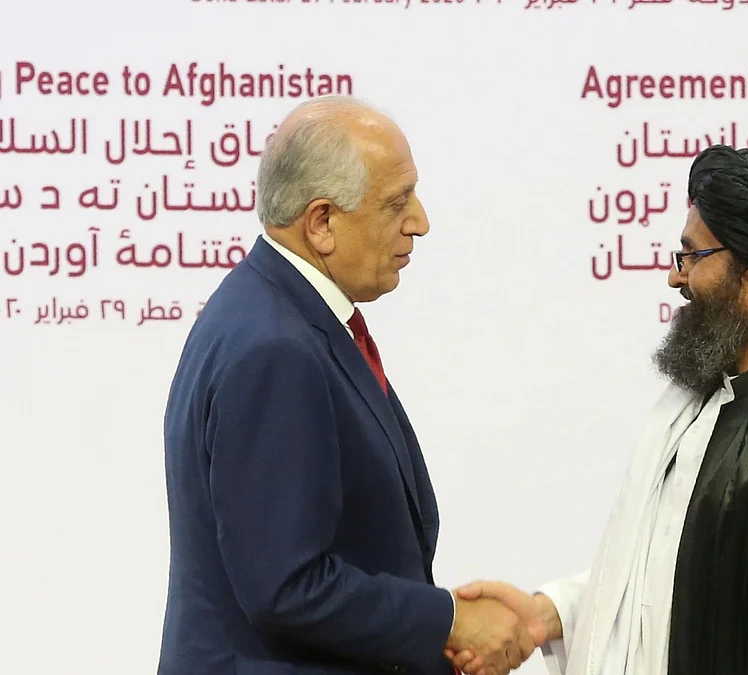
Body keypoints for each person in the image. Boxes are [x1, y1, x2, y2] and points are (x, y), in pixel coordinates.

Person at [447, 146, 748, 675]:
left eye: (692, 256)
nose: (675, 277)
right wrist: (548, 616)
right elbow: (662, 573)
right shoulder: (692, 401)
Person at [156, 96, 542, 675]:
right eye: (396, 203)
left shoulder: (270, 312)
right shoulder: (275, 348)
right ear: (323, 223)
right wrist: (450, 622)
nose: (420, 221)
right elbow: (285, 584)